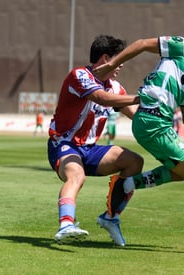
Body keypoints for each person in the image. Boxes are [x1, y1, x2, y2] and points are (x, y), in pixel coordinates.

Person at [94, 21, 184, 255]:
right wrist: (111, 64)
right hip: (154, 121)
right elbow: (141, 44)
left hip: (156, 122)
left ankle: (129, 184)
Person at [47, 34, 143, 246]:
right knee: (77, 175)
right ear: (106, 58)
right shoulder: (80, 75)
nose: (122, 65)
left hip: (90, 149)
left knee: (134, 162)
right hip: (64, 143)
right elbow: (101, 98)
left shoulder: (116, 87)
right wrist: (143, 96)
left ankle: (111, 217)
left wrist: (159, 112)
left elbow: (136, 115)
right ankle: (66, 224)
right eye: (120, 60)